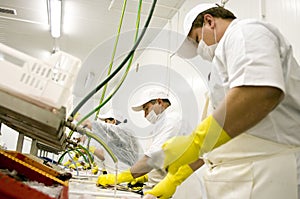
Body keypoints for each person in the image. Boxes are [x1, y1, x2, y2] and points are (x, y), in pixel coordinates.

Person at [143, 3, 300, 199]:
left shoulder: (245, 32)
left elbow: (260, 92)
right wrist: (175, 178)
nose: (201, 51)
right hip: (241, 175)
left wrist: (196, 142)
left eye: (198, 39)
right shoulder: (222, 64)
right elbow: (218, 136)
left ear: (209, 21)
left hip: (265, 170)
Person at [96, 88, 201, 197]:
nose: (145, 115)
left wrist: (120, 177)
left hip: (179, 189)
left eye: (146, 109)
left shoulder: (173, 121)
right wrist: (145, 177)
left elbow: (151, 159)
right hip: (165, 184)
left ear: (159, 102)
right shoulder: (163, 123)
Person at [76, 109, 141, 172]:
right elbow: (104, 156)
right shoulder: (122, 135)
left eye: (106, 121)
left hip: (121, 173)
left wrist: (75, 115)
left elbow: (89, 124)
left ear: (114, 121)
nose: (105, 124)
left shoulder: (119, 131)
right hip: (121, 173)